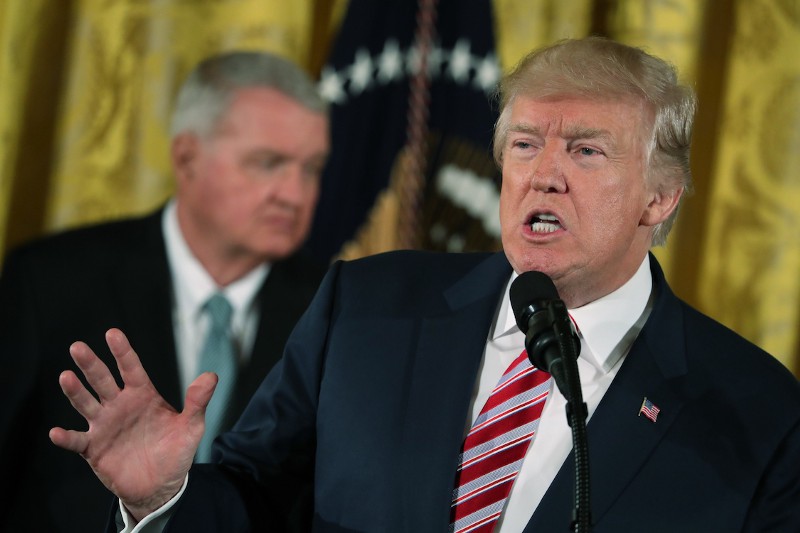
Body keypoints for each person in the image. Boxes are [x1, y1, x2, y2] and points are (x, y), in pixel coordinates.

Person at [51, 37, 799, 532]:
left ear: (659, 198)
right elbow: (254, 500)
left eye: (587, 149)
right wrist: (163, 498)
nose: (544, 173)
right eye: (526, 143)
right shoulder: (366, 307)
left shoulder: (757, 412)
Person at [0, 50, 329, 532]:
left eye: (312, 169)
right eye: (268, 163)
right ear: (187, 157)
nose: (295, 194)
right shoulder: (50, 282)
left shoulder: (333, 308)